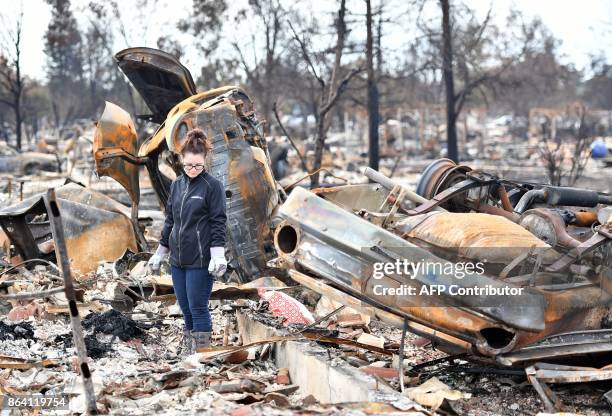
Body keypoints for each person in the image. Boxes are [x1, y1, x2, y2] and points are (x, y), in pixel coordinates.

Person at [147, 128, 227, 355]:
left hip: (200, 260)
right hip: (178, 260)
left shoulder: (213, 187)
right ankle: (189, 351)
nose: (193, 170)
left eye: (198, 166)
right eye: (188, 165)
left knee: (198, 307)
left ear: (205, 162)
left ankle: (202, 353)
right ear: (181, 160)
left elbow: (218, 222)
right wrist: (160, 251)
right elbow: (171, 220)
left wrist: (218, 254)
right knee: (185, 308)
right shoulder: (177, 185)